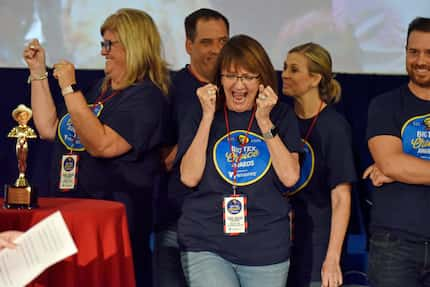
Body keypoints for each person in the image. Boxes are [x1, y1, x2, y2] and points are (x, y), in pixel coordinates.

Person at [23, 8, 170, 286]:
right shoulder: (97, 91)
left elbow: (102, 145)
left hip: (108, 222)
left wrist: (69, 90)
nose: (103, 52)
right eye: (103, 44)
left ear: (134, 46)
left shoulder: (146, 98)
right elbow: (48, 127)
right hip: (70, 210)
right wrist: (38, 72)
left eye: (109, 45)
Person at [177, 34, 302, 287]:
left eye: (248, 77)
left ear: (262, 81)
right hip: (206, 241)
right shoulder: (200, 114)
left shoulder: (281, 116)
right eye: (231, 76)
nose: (239, 85)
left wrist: (264, 121)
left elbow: (290, 177)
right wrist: (207, 117)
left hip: (265, 245)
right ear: (219, 80)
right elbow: (189, 177)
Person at [153, 8, 229, 287]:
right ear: (188, 45)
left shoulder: (239, 90)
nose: (217, 50)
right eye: (207, 42)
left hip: (225, 224)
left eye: (223, 41)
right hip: (176, 219)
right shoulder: (168, 89)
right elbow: (158, 159)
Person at [362, 17, 430, 287]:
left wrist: (404, 168)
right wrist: (393, 168)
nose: (421, 60)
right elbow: (390, 163)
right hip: (394, 245)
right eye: (414, 52)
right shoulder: (385, 105)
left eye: (429, 52)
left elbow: (395, 165)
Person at [282, 42, 355, 287]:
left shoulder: (334, 127)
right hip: (277, 246)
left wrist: (332, 258)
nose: (285, 75)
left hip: (317, 248)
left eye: (294, 69)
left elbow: (341, 197)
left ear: (315, 78)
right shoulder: (278, 119)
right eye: (284, 68)